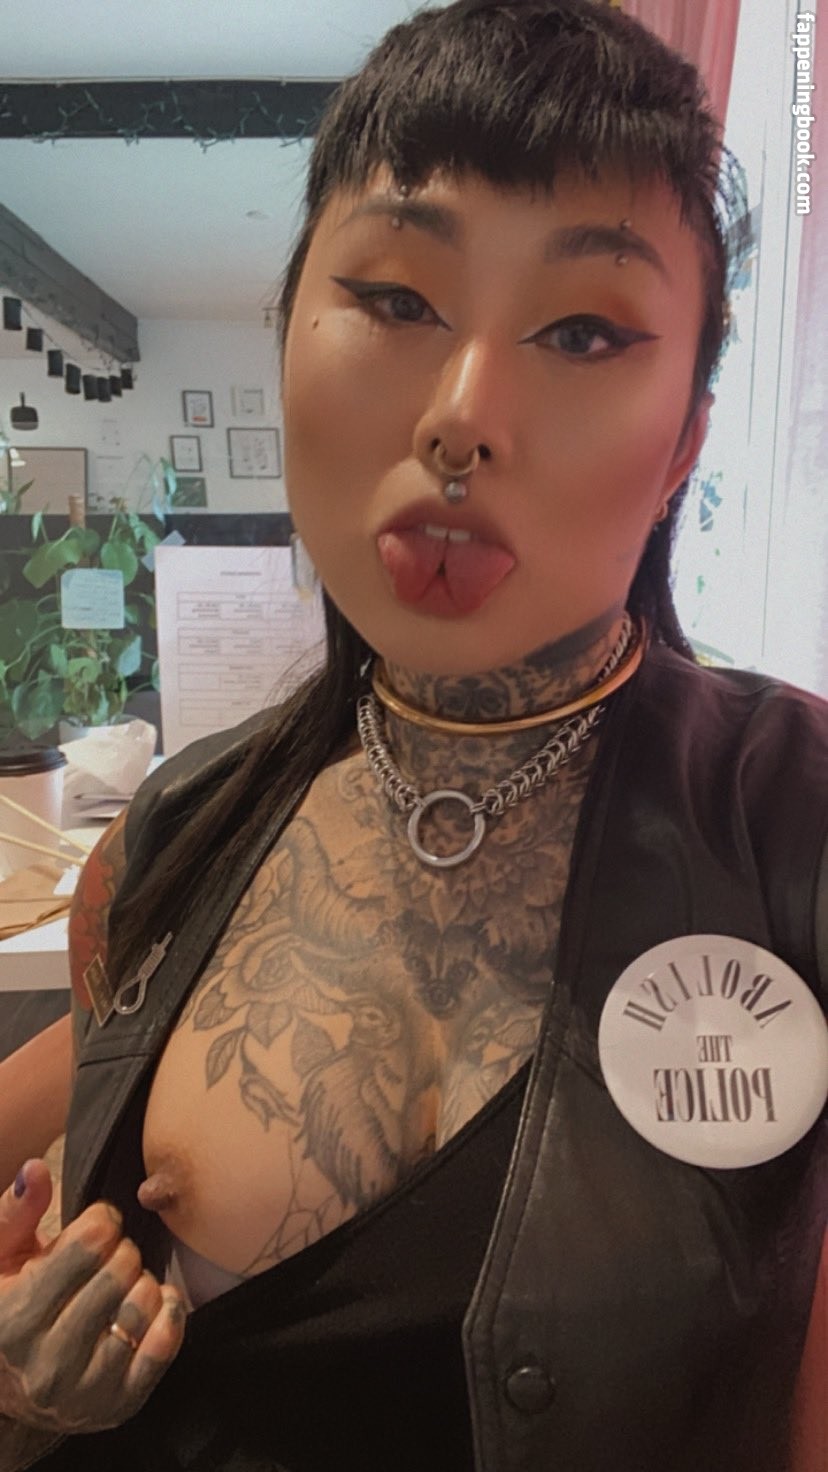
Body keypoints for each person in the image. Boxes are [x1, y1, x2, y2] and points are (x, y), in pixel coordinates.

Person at [1, 1, 825, 1468]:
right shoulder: (172, 840)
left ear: (687, 447)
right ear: (285, 340)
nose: (462, 419)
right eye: (395, 299)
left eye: (583, 331)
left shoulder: (793, 817)